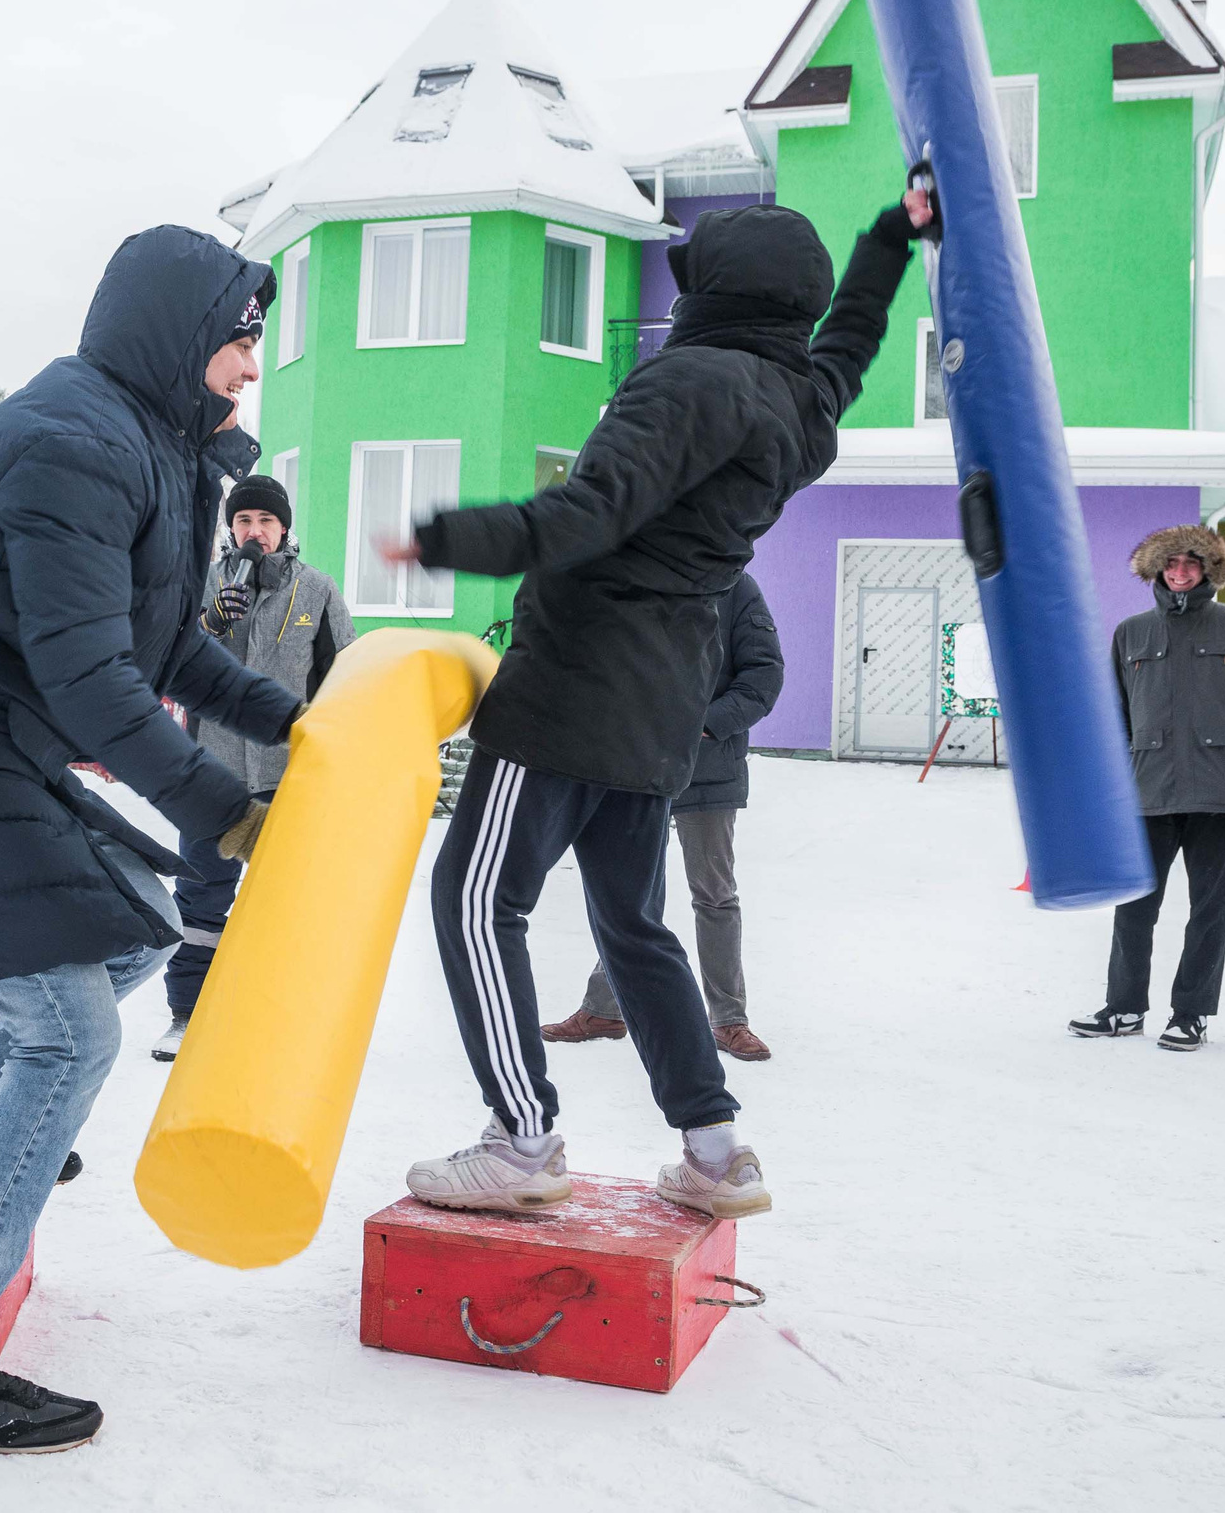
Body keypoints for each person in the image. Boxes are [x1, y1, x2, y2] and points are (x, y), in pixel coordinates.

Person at [0, 225, 298, 1459]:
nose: (252, 364)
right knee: (70, 1026)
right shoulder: (71, 438)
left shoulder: (155, 448)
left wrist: (293, 722)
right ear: (183, 332)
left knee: (132, 923)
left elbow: (165, 649)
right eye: (242, 338)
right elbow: (93, 684)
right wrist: (227, 811)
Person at [386, 193, 930, 1222]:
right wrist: (890, 240)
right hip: (663, 703)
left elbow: (587, 514)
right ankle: (716, 1149)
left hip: (570, 690)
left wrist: (447, 537)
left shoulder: (685, 379)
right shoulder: (801, 400)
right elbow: (851, 339)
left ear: (708, 292)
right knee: (633, 925)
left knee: (473, 901)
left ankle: (520, 1135)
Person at [543, 571, 785, 1062]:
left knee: (714, 894)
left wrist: (703, 727)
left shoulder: (736, 587)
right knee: (629, 897)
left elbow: (764, 676)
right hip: (636, 766)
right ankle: (606, 1008)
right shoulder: (641, 579)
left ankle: (729, 1020)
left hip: (707, 769)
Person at [153, 471, 354, 1060]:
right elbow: (160, 660)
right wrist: (208, 623)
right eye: (244, 520)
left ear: (284, 528)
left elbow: (344, 675)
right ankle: (187, 1015)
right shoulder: (202, 584)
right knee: (199, 900)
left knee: (286, 899)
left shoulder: (316, 590)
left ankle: (276, 1013)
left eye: (266, 520)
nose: (255, 530)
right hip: (209, 773)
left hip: (289, 775)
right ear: (230, 528)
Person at [1069, 525, 1225, 1051]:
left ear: (1208, 570)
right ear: (1158, 571)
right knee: (1134, 906)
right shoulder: (1132, 633)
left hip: (1218, 791)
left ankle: (1191, 1013)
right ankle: (1123, 1008)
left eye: (1191, 563)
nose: (1181, 572)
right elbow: (1112, 714)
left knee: (1209, 910)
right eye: (1172, 564)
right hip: (1148, 793)